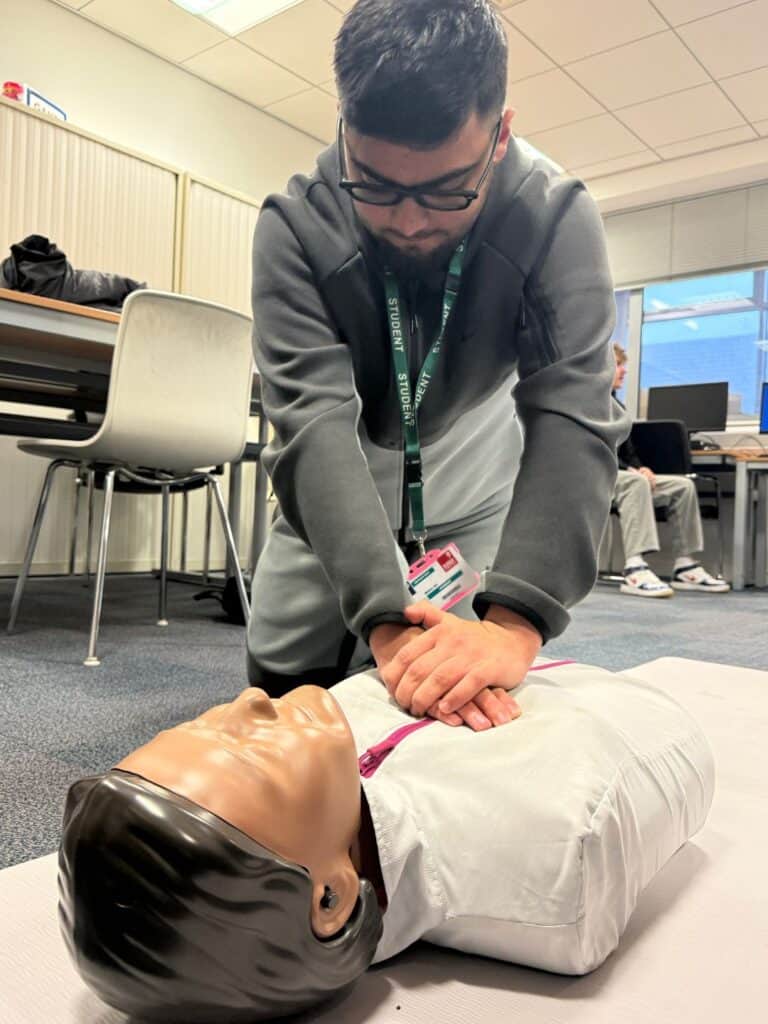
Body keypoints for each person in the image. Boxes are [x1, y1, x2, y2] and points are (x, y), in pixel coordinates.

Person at [246, 0, 628, 731]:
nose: (410, 220)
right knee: (280, 706)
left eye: (448, 189)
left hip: (472, 502)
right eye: (376, 186)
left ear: (500, 135)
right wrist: (385, 621)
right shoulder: (294, 227)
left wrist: (515, 625)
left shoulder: (554, 216)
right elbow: (311, 429)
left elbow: (574, 417)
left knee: (454, 720)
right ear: (344, 127)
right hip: (328, 507)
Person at [59, 658, 713, 1023]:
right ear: (331, 899)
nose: (251, 701)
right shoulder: (568, 836)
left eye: (202, 724)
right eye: (251, 755)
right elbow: (656, 734)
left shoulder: (326, 735)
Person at [611, 344, 729, 597]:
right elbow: (596, 451)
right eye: (618, 365)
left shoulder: (617, 408)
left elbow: (627, 451)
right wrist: (631, 471)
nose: (624, 371)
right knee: (636, 483)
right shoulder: (588, 405)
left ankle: (685, 565)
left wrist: (640, 467)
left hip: (623, 475)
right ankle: (634, 566)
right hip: (597, 476)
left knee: (682, 486)